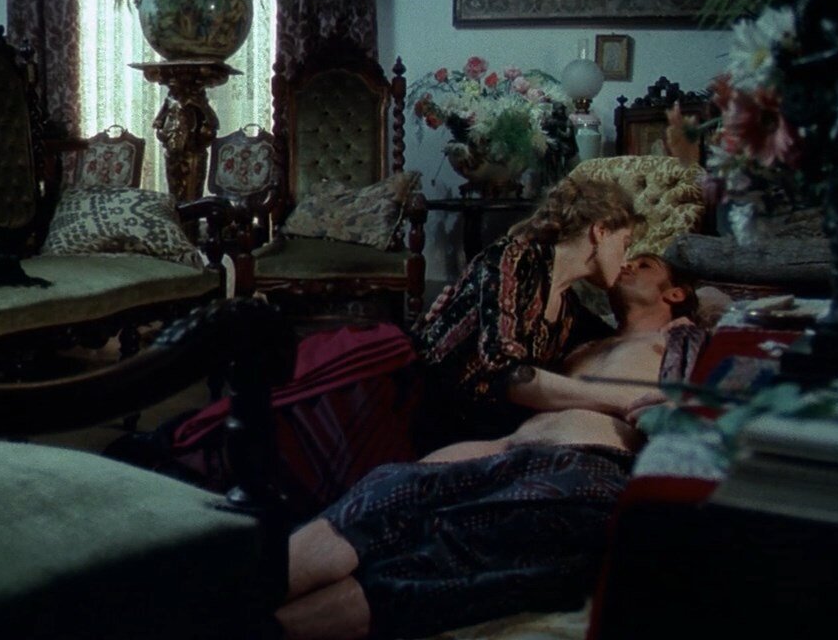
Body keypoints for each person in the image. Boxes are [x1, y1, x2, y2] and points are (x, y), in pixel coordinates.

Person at [276, 254, 702, 640]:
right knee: (383, 490)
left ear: (675, 293)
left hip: (585, 465)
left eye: (645, 264)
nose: (627, 264)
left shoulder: (679, 340)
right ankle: (243, 599)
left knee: (430, 556)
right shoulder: (586, 340)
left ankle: (265, 628)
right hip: (503, 450)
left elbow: (705, 402)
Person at [410, 176, 666, 454]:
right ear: (600, 231)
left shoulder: (569, 309)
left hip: (469, 430)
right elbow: (508, 374)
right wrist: (623, 400)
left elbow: (614, 343)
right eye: (625, 244)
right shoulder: (513, 259)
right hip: (413, 404)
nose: (625, 260)